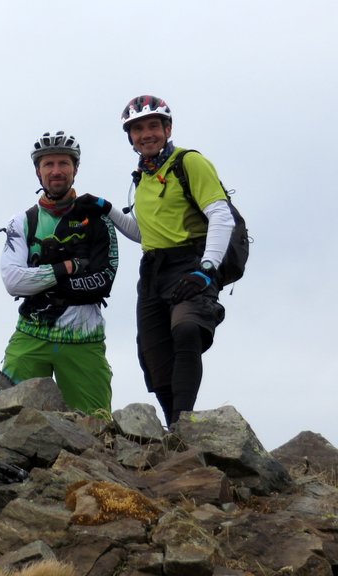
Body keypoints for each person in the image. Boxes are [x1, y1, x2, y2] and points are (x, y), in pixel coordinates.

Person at [76, 95, 233, 427]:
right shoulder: (144, 177)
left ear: (167, 128)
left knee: (188, 329)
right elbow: (143, 233)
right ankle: (172, 425)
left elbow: (221, 215)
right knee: (153, 355)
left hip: (190, 263)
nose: (146, 134)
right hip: (152, 272)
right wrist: (105, 207)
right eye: (137, 129)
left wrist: (207, 269)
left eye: (152, 126)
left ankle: (182, 426)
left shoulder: (188, 163)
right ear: (130, 138)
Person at [0, 131, 118, 415]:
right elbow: (13, 281)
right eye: (48, 164)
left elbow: (103, 281)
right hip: (31, 334)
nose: (56, 171)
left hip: (83, 338)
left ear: (75, 169)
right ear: (38, 172)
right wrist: (67, 267)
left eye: (63, 163)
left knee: (96, 427)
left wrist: (40, 282)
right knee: (8, 420)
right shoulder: (23, 222)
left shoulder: (98, 220)